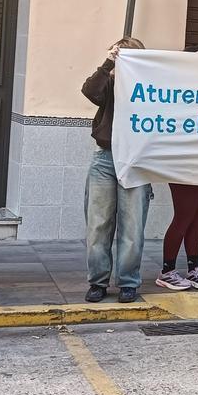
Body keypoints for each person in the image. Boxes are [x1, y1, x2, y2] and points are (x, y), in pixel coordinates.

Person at [80, 38, 154, 303]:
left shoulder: (151, 87)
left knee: (132, 225)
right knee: (98, 224)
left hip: (135, 160)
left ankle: (128, 282)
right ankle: (98, 282)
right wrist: (108, 63)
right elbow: (90, 91)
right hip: (105, 158)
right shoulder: (109, 83)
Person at [158, 44, 198, 292]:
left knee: (197, 219)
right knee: (184, 216)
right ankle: (167, 271)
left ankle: (193, 269)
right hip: (183, 163)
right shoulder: (177, 93)